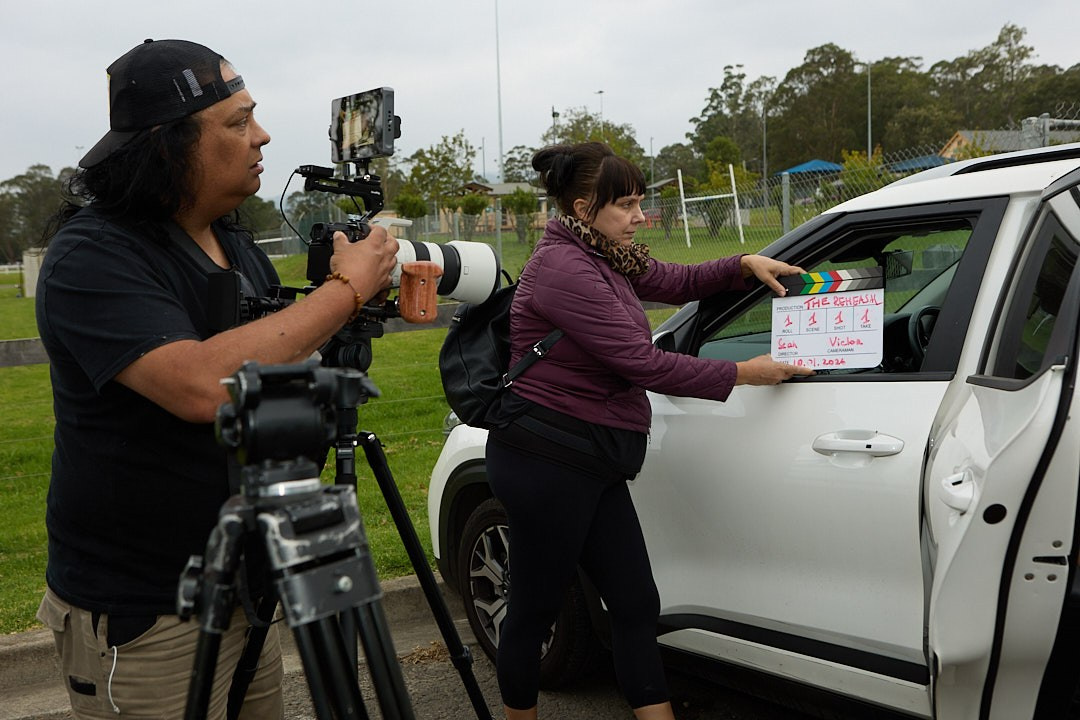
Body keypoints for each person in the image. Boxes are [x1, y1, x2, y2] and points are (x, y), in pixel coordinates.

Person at [34, 39, 399, 719]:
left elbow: (276, 362)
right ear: (167, 145)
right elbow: (201, 386)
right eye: (236, 123)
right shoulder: (92, 254)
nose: (261, 136)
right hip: (148, 611)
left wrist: (332, 323)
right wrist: (345, 292)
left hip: (247, 589)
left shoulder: (232, 244)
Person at [486, 142, 813, 720]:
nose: (642, 217)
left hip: (595, 458)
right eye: (628, 205)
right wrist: (744, 373)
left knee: (636, 603)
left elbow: (674, 278)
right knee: (535, 609)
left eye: (641, 203)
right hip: (548, 459)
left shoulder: (605, 254)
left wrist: (741, 265)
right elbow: (644, 364)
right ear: (585, 209)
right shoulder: (564, 269)